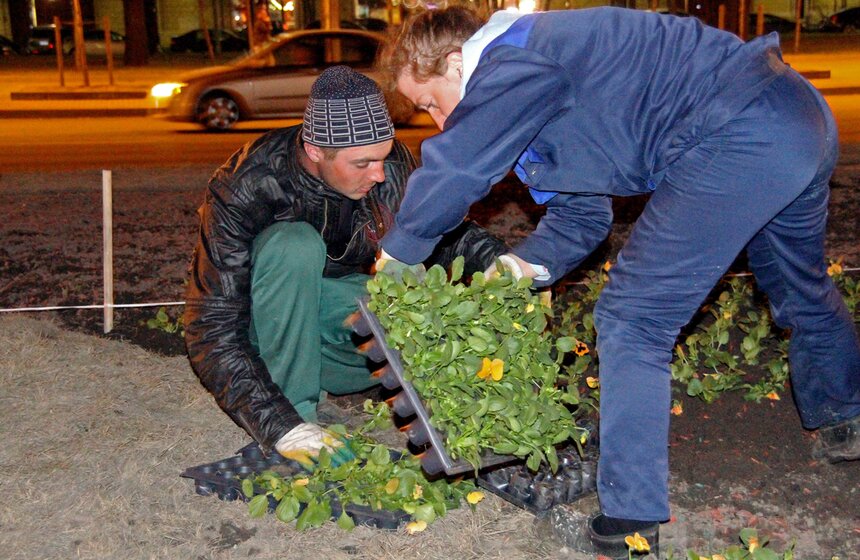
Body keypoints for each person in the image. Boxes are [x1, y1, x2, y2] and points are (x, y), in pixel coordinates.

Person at [376, 6, 860, 557]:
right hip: (796, 119)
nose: (440, 122)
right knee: (797, 282)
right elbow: (584, 216)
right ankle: (845, 411)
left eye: (431, 103)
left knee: (633, 318)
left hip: (738, 129)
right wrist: (522, 267)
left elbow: (459, 164)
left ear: (458, 62)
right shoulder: (542, 78)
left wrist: (399, 252)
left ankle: (630, 521)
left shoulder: (513, 56)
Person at [183, 66, 507, 467]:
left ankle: (429, 394)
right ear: (316, 151)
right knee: (292, 245)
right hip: (269, 337)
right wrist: (278, 424)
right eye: (362, 164)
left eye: (384, 158)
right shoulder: (248, 185)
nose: (379, 174)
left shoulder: (388, 165)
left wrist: (499, 263)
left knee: (413, 273)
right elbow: (211, 325)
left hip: (338, 336)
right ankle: (298, 417)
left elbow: (440, 231)